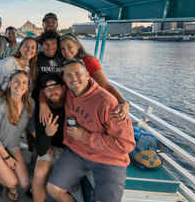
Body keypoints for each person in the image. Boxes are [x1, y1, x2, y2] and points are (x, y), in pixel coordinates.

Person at [46, 59, 135, 202]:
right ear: (64, 79)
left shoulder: (107, 102)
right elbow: (46, 90)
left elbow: (126, 144)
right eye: (68, 75)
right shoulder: (68, 91)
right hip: (78, 152)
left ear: (88, 75)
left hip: (109, 158)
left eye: (77, 73)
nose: (73, 79)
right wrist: (44, 104)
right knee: (53, 189)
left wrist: (84, 136)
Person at [39, 32, 130, 124]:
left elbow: (106, 85)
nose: (66, 51)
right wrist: (43, 102)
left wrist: (123, 102)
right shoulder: (65, 64)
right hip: (74, 107)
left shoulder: (89, 62)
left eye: (69, 47)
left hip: (91, 107)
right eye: (63, 49)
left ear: (77, 45)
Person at [0, 70, 35, 201]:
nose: (20, 85)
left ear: (27, 87)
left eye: (24, 82)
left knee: (25, 183)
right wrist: (6, 158)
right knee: (12, 183)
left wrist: (44, 142)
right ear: (10, 83)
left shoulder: (30, 103)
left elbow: (31, 125)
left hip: (11, 143)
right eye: (16, 81)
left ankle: (1, 168)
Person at [32, 74, 66, 202]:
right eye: (48, 89)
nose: (52, 91)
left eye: (55, 87)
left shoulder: (72, 103)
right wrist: (47, 135)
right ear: (43, 93)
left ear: (63, 88)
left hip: (73, 152)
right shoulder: (44, 112)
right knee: (40, 172)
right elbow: (40, 150)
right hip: (53, 148)